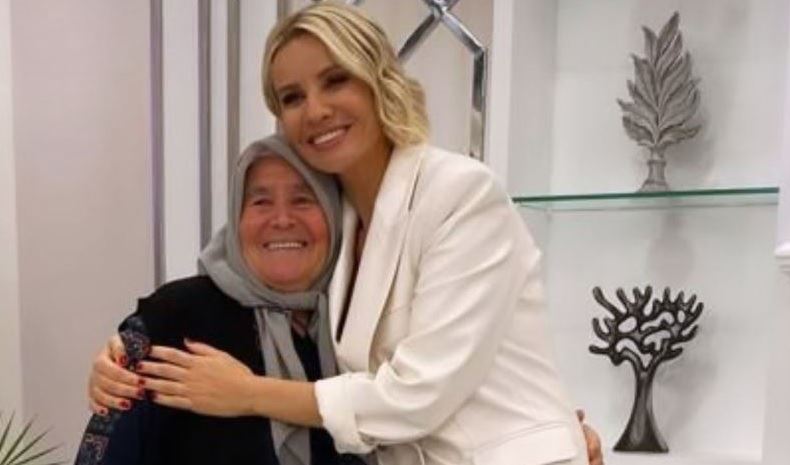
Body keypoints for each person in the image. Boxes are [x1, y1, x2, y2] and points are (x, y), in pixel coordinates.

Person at [89, 3, 604, 464]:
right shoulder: (337, 235)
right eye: (292, 97)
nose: (316, 110)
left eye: (335, 81)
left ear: (378, 80)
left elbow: (418, 394)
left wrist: (247, 393)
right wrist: (127, 349)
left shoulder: (460, 194)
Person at [78, 134, 366, 465]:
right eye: (261, 202)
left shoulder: (359, 326)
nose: (282, 219)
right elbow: (103, 451)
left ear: (334, 213)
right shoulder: (176, 315)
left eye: (303, 200)